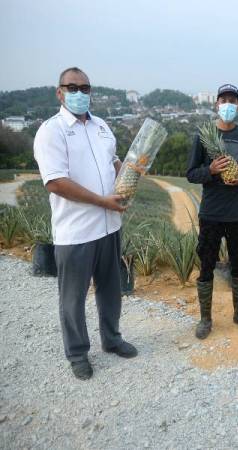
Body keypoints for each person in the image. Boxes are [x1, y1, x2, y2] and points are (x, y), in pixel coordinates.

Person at [33, 67, 137, 380]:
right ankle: (77, 353)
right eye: (72, 87)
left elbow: (113, 161)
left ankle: (112, 338)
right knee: (73, 297)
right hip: (76, 231)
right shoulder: (51, 131)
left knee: (111, 289)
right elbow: (56, 182)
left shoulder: (102, 126)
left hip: (109, 226)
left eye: (85, 88)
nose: (79, 93)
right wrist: (102, 201)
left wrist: (129, 174)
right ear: (59, 92)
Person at [187, 83, 238, 340]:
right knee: (206, 263)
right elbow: (190, 174)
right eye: (223, 100)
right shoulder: (202, 135)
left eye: (233, 100)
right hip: (211, 212)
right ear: (216, 104)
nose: (228, 104)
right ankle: (205, 319)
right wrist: (211, 171)